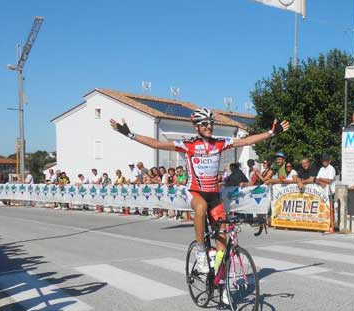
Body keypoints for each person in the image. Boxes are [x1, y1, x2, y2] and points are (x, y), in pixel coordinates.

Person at [110, 107, 288, 277]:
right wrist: (130, 134)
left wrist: (271, 133)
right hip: (194, 192)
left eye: (211, 123)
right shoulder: (187, 145)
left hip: (214, 195)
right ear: (196, 127)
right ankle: (201, 252)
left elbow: (247, 141)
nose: (208, 127)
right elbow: (157, 144)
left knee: (222, 245)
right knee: (201, 207)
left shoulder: (220, 143)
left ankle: (221, 280)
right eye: (204, 124)